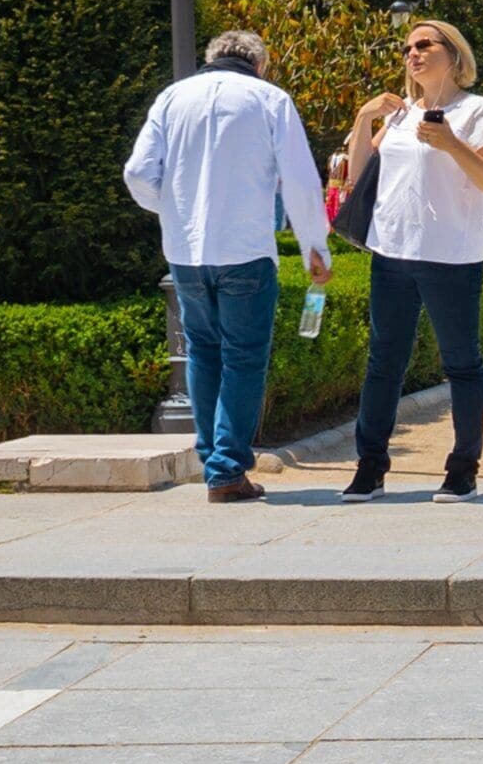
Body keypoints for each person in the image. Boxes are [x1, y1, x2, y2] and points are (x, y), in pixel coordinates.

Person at [122, 28, 334, 502]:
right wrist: (314, 249)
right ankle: (225, 468)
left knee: (202, 351)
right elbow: (299, 180)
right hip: (245, 249)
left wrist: (175, 210)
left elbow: (137, 172)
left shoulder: (172, 98)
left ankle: (213, 459)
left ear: (212, 58)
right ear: (260, 64)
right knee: (243, 356)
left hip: (185, 251)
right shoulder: (269, 99)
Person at [340, 16, 483, 501]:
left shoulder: (480, 112)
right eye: (407, 48)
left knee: (461, 364)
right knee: (383, 364)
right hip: (391, 253)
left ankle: (463, 469)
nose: (412, 54)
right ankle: (369, 467)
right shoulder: (398, 115)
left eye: (424, 45)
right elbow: (358, 178)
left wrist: (452, 143)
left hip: (450, 256)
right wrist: (363, 120)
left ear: (453, 55)